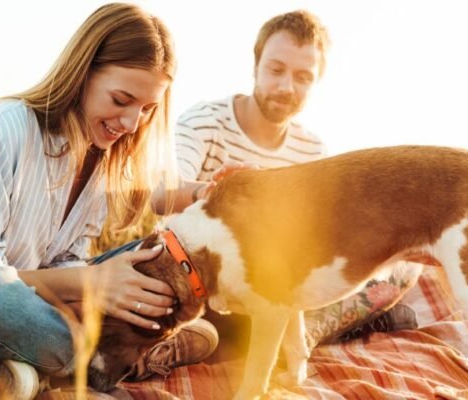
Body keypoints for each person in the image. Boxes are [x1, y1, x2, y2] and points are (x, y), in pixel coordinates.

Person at [0, 3, 218, 399]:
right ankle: (117, 355)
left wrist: (103, 286)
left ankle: (23, 369)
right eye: (120, 100)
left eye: (146, 110)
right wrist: (91, 284)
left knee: (158, 259)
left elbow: (63, 264)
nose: (131, 124)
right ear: (82, 74)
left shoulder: (99, 157)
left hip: (25, 309)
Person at [160, 9, 421, 354]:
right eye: (276, 70)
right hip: (206, 286)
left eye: (303, 77)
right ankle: (233, 338)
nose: (286, 87)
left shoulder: (312, 149)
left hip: (284, 292)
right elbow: (160, 193)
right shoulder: (204, 121)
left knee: (405, 267)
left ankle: (306, 336)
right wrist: (212, 194)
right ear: (256, 66)